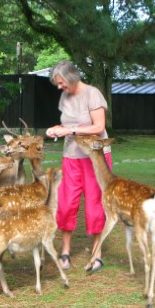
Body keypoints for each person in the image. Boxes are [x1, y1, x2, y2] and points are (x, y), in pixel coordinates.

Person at [45, 60, 112, 273]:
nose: (59, 87)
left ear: (72, 77)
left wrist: (70, 130)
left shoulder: (92, 94)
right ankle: (65, 251)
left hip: (94, 157)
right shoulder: (65, 96)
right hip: (71, 156)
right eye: (57, 84)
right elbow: (68, 125)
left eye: (61, 82)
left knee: (94, 204)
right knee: (66, 202)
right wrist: (57, 129)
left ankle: (97, 254)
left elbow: (99, 127)